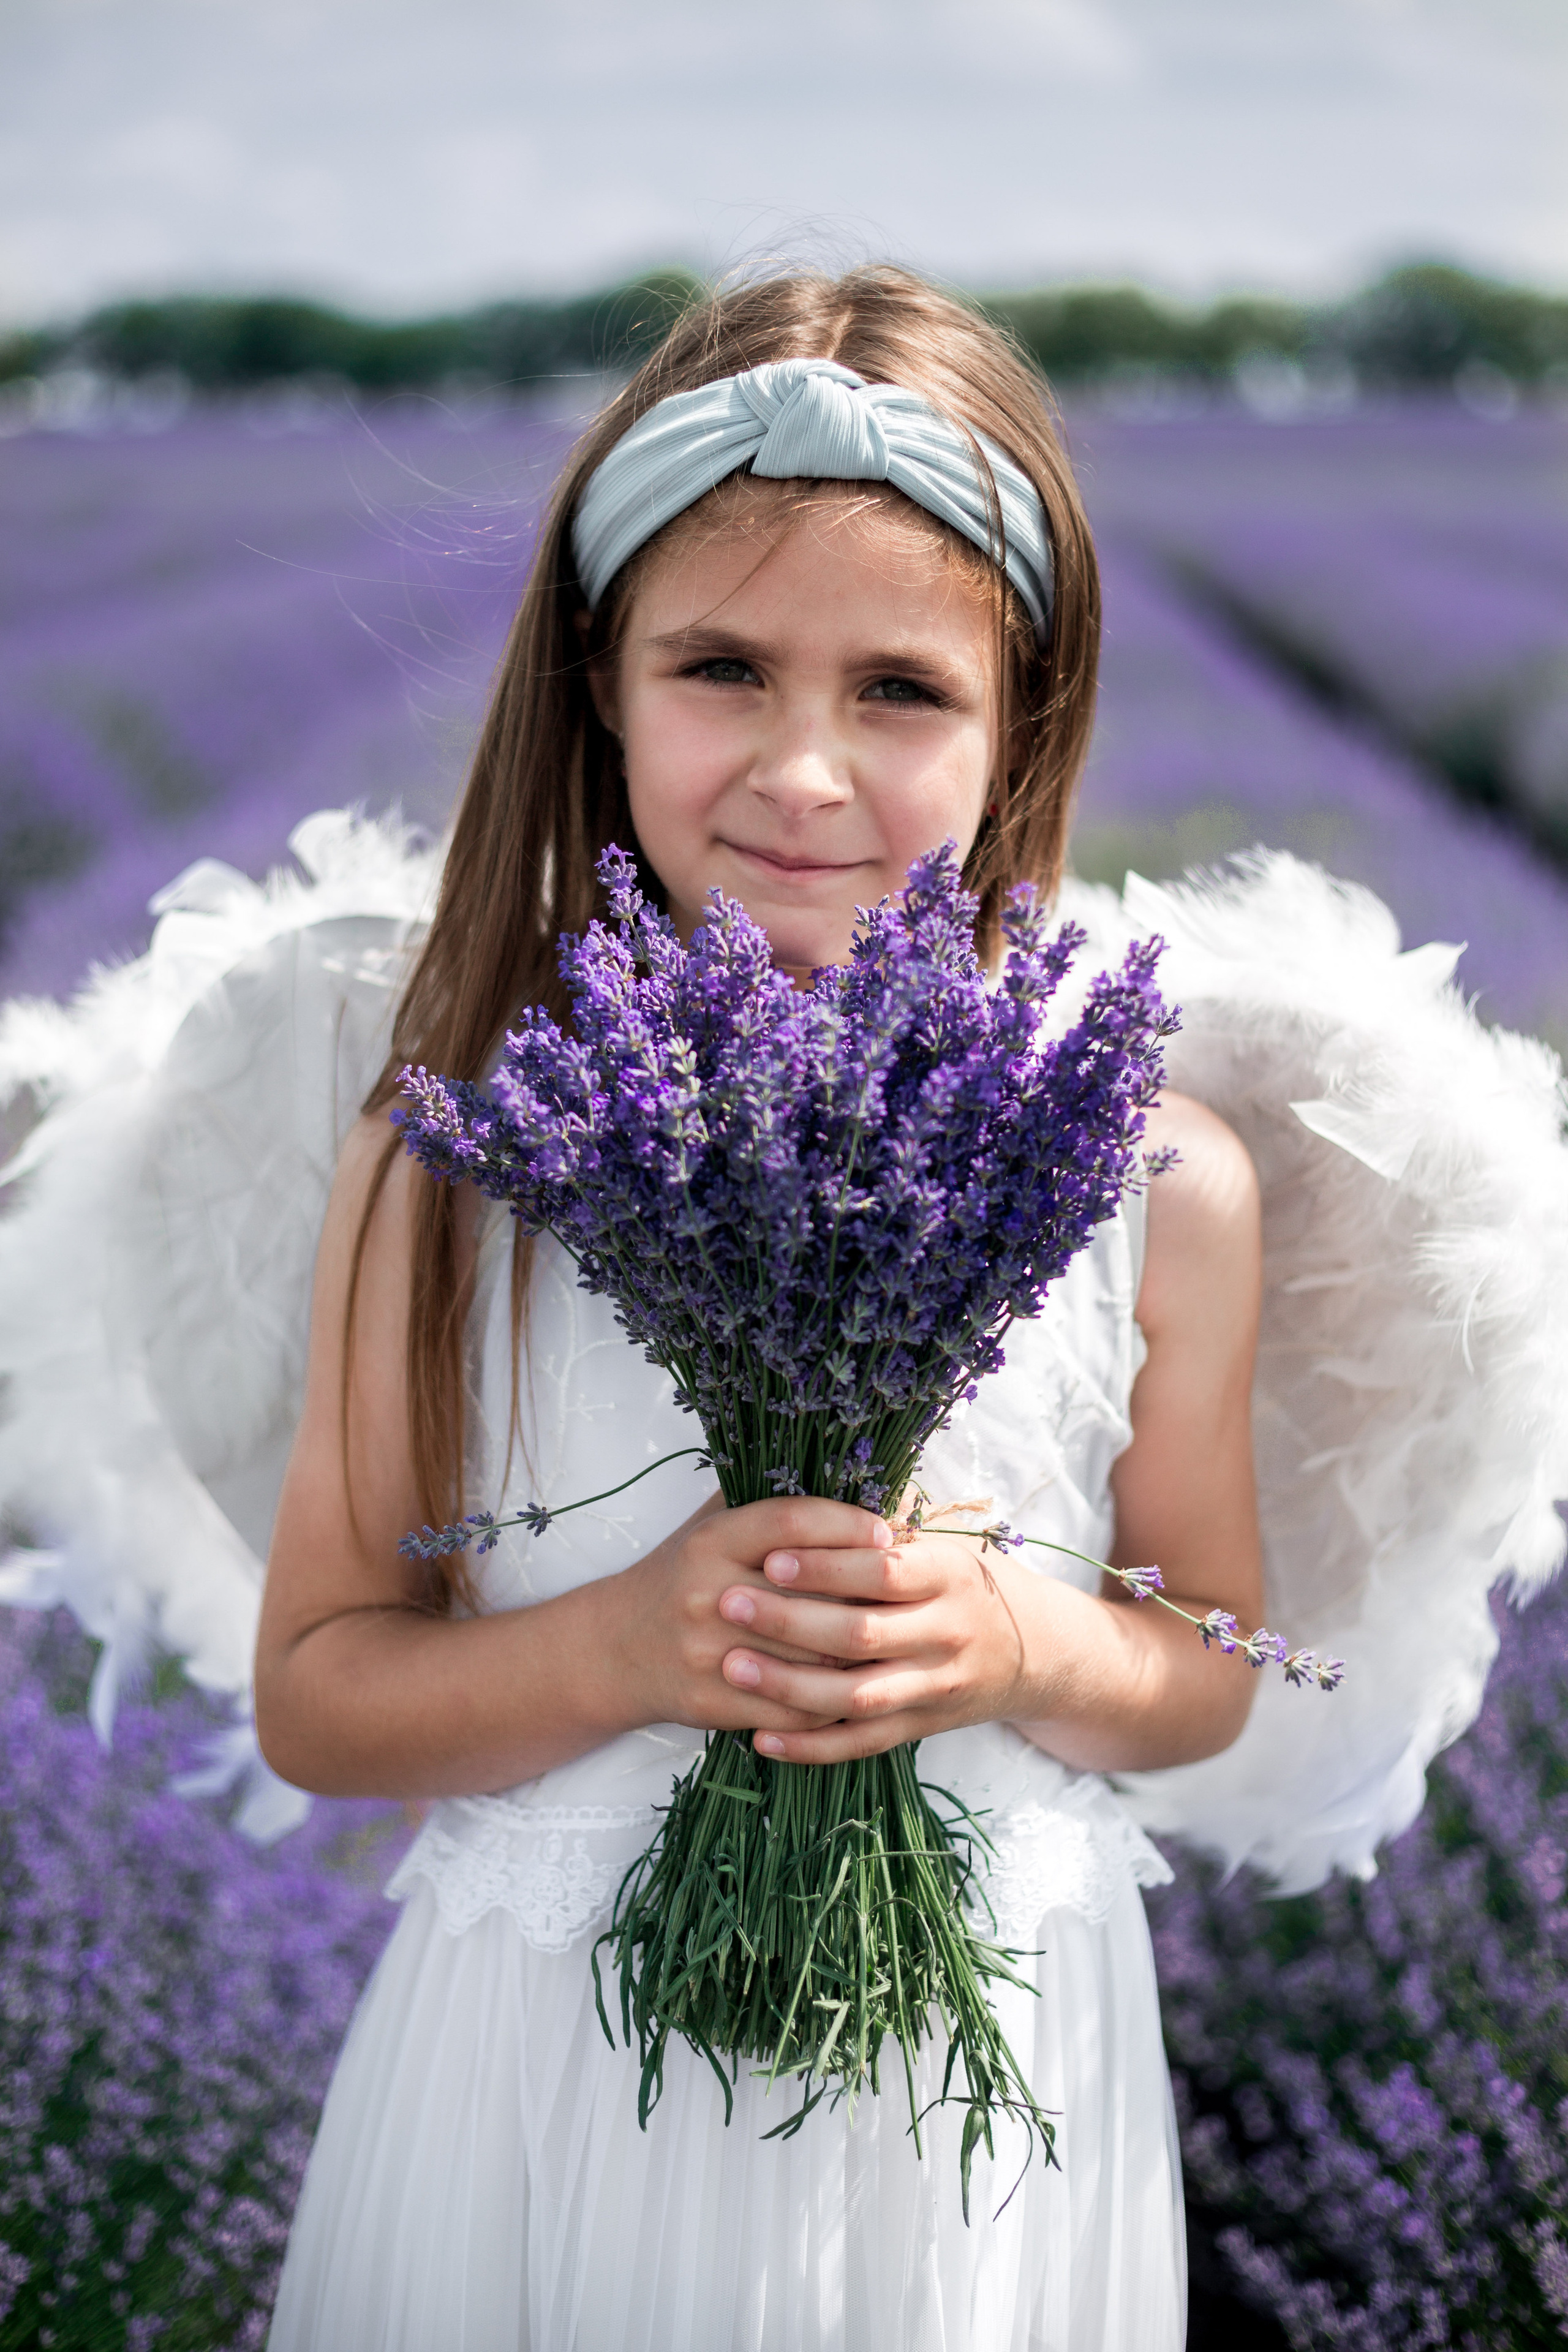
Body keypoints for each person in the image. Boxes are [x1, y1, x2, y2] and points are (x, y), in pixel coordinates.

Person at [3, 264, 1564, 2352]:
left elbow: (1208, 1664)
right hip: (549, 2074)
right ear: (598, 688)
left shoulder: (1161, 1177)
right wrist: (624, 1643)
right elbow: (320, 1695)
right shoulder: (452, 1153)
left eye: (902, 691)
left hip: (984, 2111)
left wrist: (1019, 1634)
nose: (805, 772)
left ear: (1024, 722)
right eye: (721, 668)